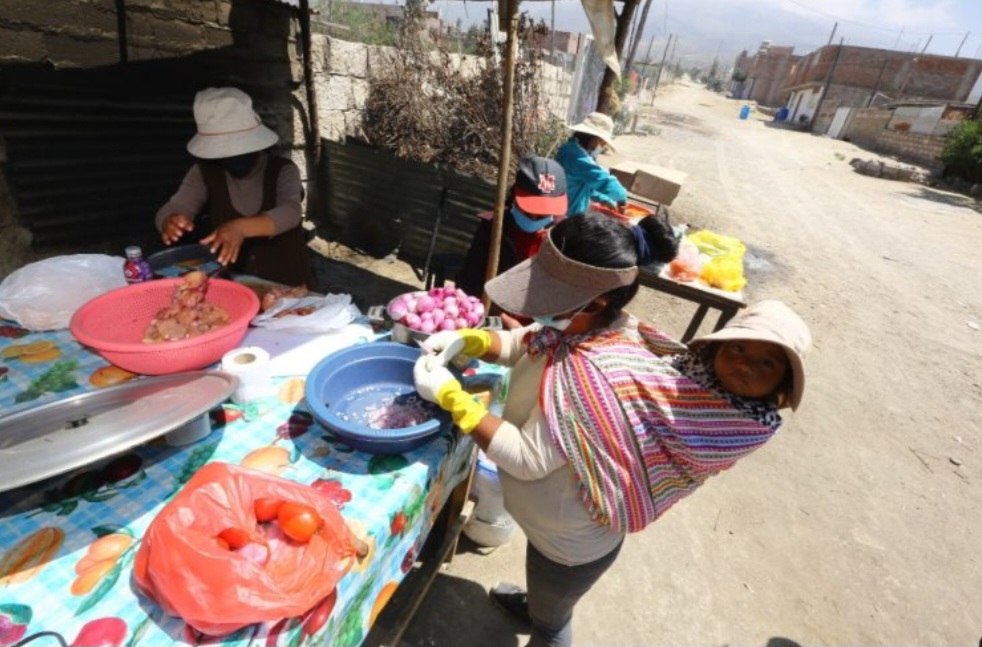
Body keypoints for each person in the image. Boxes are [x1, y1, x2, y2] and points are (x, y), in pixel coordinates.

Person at [413, 214, 811, 647]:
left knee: (553, 624)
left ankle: (544, 618)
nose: (534, 306)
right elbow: (524, 341)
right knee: (546, 590)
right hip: (552, 530)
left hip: (569, 546)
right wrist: (470, 341)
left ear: (595, 302)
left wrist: (454, 400)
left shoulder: (594, 376)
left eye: (546, 295)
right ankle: (539, 605)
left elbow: (527, 459)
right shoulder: (589, 326)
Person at [155, 87, 314, 288]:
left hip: (289, 289)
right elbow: (176, 205)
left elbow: (290, 212)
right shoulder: (204, 172)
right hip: (237, 286)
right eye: (224, 153)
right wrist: (170, 221)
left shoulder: (283, 170)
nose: (233, 157)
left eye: (240, 149)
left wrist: (240, 228)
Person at [455, 155, 568, 301]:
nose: (533, 219)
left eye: (542, 215)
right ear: (515, 197)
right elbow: (471, 281)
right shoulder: (493, 227)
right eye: (527, 212)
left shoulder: (562, 235)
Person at [553, 112, 628, 217]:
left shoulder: (571, 149)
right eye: (602, 143)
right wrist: (622, 197)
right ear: (595, 139)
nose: (602, 147)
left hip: (567, 210)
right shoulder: (577, 156)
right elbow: (604, 181)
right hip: (565, 215)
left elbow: (586, 185)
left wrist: (604, 199)